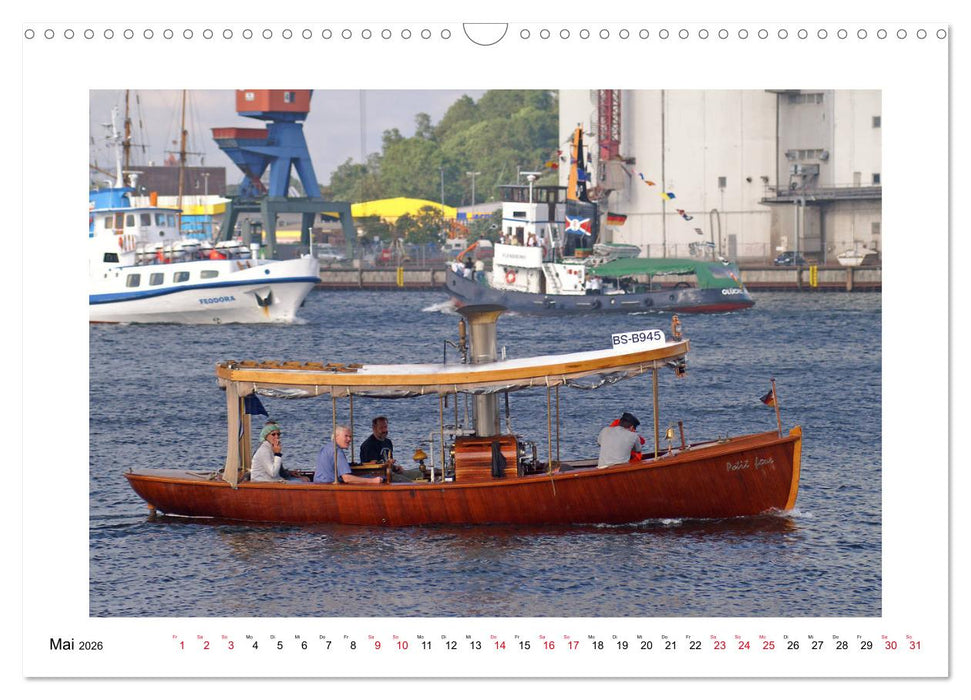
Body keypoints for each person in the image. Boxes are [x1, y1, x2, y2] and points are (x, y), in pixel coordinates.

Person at [314, 424, 383, 484]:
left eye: (350, 436)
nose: (349, 439)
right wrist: (373, 481)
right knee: (373, 477)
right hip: (329, 485)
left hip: (318, 483)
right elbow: (347, 478)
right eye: (346, 436)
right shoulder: (337, 451)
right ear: (336, 437)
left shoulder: (326, 448)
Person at [360, 416, 417, 482]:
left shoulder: (388, 442)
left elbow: (389, 462)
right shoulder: (368, 445)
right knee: (409, 482)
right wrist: (387, 464)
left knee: (420, 473)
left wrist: (395, 468)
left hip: (391, 472)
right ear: (374, 428)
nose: (384, 430)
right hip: (379, 476)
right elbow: (373, 466)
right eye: (381, 428)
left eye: (385, 427)